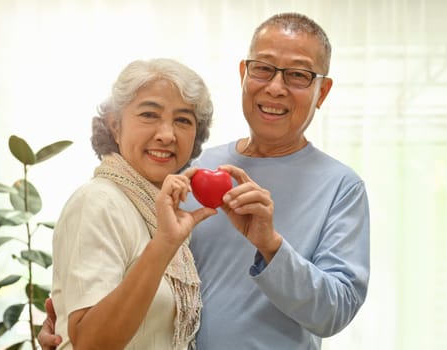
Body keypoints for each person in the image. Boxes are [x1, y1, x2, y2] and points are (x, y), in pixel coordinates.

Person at [39, 12, 370, 350]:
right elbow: (119, 266)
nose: (275, 87)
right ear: (244, 73)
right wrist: (67, 324)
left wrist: (271, 246)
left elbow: (335, 313)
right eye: (263, 68)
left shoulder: (341, 187)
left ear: (322, 90)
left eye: (298, 75)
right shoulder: (188, 171)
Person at [48, 58, 216, 349]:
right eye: (149, 114)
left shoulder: (167, 209)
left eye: (183, 120)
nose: (167, 134)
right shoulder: (98, 201)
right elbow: (91, 343)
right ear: (115, 126)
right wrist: (163, 244)